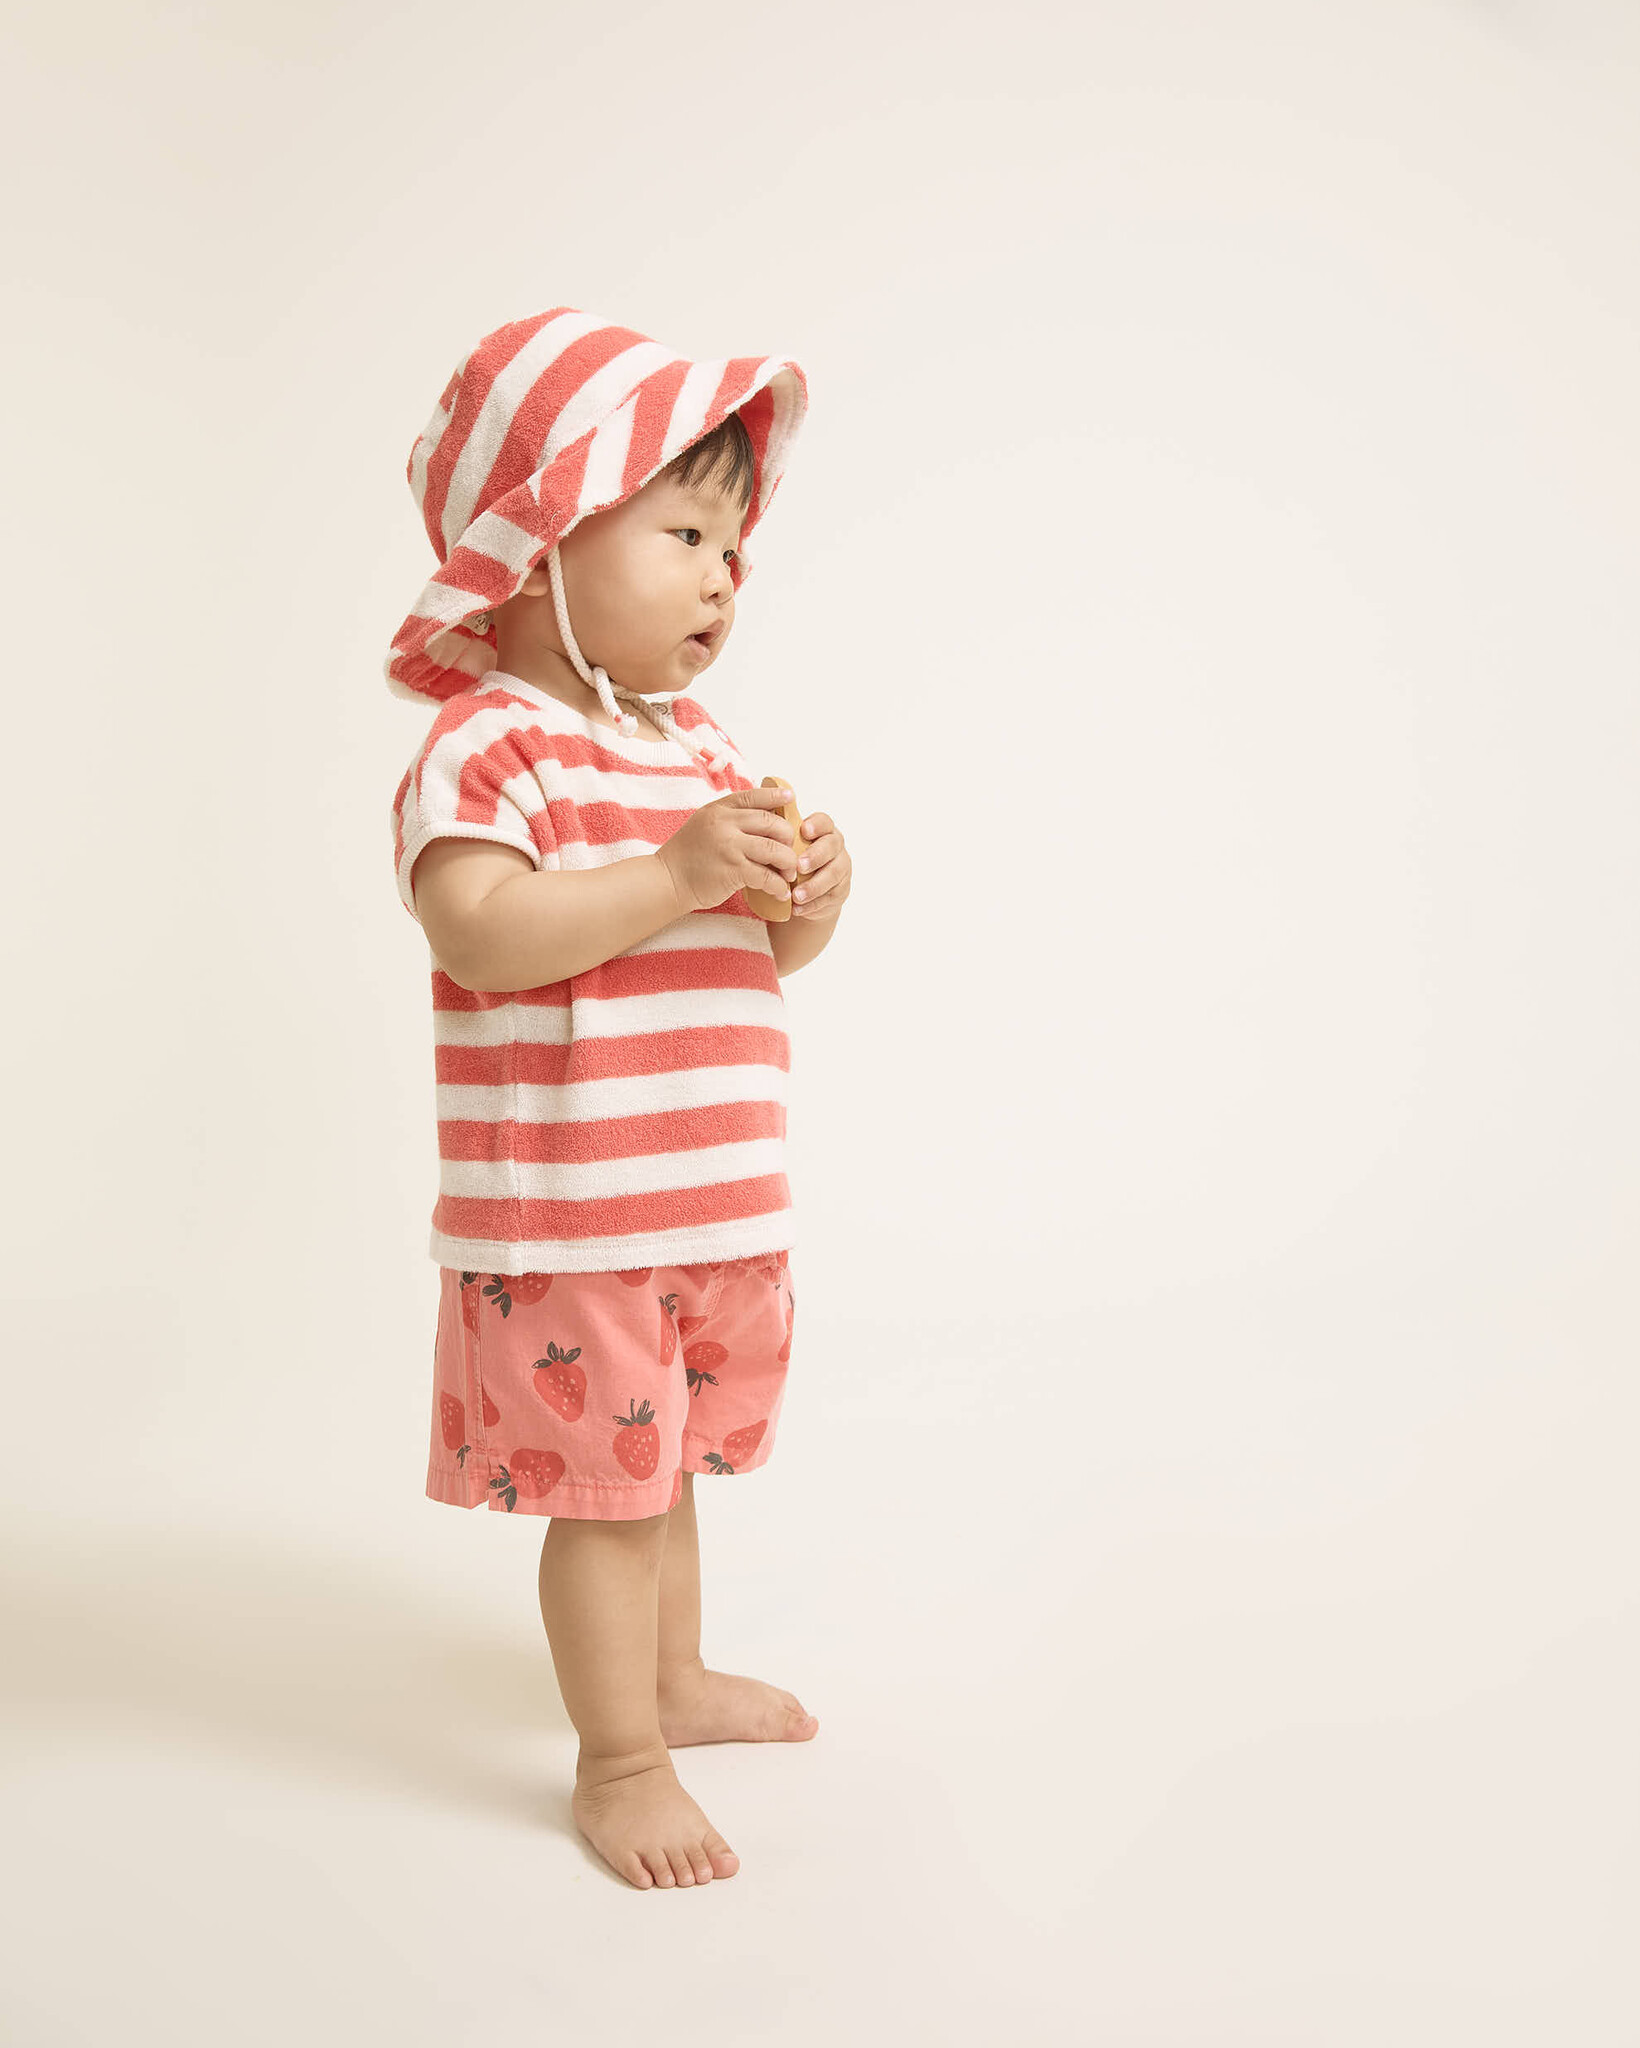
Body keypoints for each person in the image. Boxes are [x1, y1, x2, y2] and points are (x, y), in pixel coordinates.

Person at [384, 309, 851, 1890]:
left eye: (734, 545)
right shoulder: (489, 746)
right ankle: (621, 1759)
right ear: (534, 552)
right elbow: (477, 931)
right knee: (608, 1497)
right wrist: (673, 873)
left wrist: (806, 894)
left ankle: (673, 1677)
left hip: (707, 1200)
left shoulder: (694, 745)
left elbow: (759, 950)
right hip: (574, 1221)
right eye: (687, 534)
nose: (729, 575)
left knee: (670, 1468)